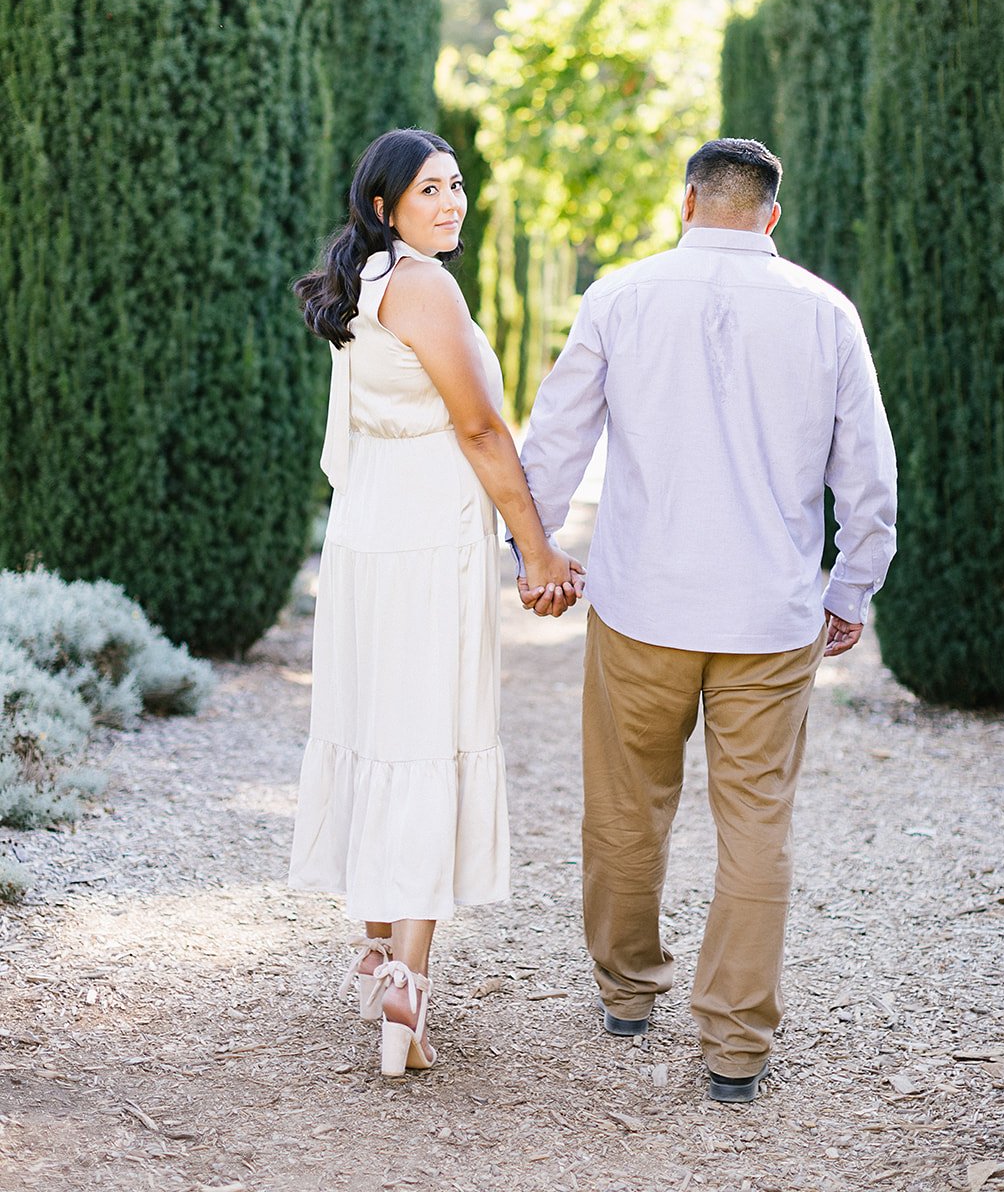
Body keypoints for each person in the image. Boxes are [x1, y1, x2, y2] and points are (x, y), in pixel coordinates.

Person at [517, 138, 897, 1102]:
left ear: (685, 202)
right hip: (770, 617)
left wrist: (533, 552)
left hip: (644, 602)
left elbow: (556, 436)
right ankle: (734, 1045)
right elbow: (867, 473)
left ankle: (627, 991)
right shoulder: (826, 311)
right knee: (757, 821)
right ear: (771, 215)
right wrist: (849, 588)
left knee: (625, 804)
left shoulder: (620, 296)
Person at [288, 128, 580, 1077]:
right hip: (420, 550)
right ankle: (404, 996)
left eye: (457, 187)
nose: (451, 204)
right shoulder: (423, 284)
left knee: (378, 733)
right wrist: (536, 550)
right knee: (420, 741)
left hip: (368, 540)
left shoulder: (362, 286)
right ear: (385, 206)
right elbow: (481, 428)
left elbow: (356, 438)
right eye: (429, 191)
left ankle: (376, 955)